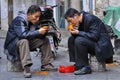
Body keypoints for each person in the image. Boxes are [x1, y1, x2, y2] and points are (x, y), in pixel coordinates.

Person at [4, 5, 57, 78]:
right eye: (36, 17)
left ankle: (46, 64)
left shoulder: (33, 22)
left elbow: (34, 35)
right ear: (29, 15)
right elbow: (22, 35)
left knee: (45, 40)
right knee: (24, 41)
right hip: (14, 45)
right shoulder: (19, 20)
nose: (38, 19)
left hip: (26, 43)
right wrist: (38, 32)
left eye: (39, 17)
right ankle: (26, 67)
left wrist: (44, 33)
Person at [64, 8, 114, 75]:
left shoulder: (90, 19)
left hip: (101, 46)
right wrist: (74, 32)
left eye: (70, 21)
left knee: (79, 40)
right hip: (94, 43)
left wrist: (78, 32)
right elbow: (82, 34)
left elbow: (94, 36)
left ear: (75, 16)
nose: (70, 23)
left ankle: (85, 67)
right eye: (69, 22)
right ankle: (78, 65)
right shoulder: (81, 20)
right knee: (71, 39)